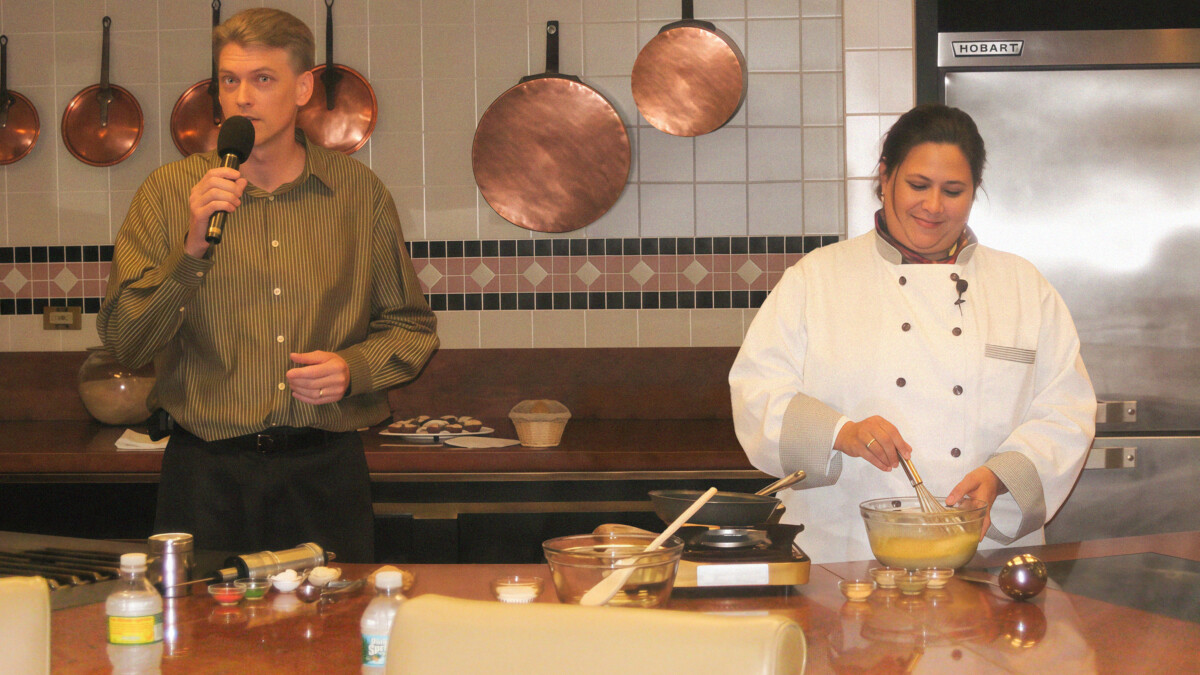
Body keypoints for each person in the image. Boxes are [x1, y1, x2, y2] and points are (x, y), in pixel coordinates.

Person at [98, 8, 438, 562]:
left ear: (302, 88)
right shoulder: (167, 193)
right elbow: (126, 342)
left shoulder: (358, 194)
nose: (243, 98)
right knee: (201, 622)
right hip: (205, 475)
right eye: (229, 80)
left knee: (334, 620)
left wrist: (355, 369)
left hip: (325, 471)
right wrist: (190, 251)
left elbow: (411, 327)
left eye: (262, 79)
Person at [729, 103, 1096, 563]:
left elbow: (1067, 411)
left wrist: (1001, 477)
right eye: (918, 185)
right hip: (844, 549)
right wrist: (841, 433)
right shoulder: (817, 278)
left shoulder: (1023, 286)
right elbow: (757, 392)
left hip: (981, 551)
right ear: (885, 178)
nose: (934, 206)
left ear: (974, 191)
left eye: (953, 191)